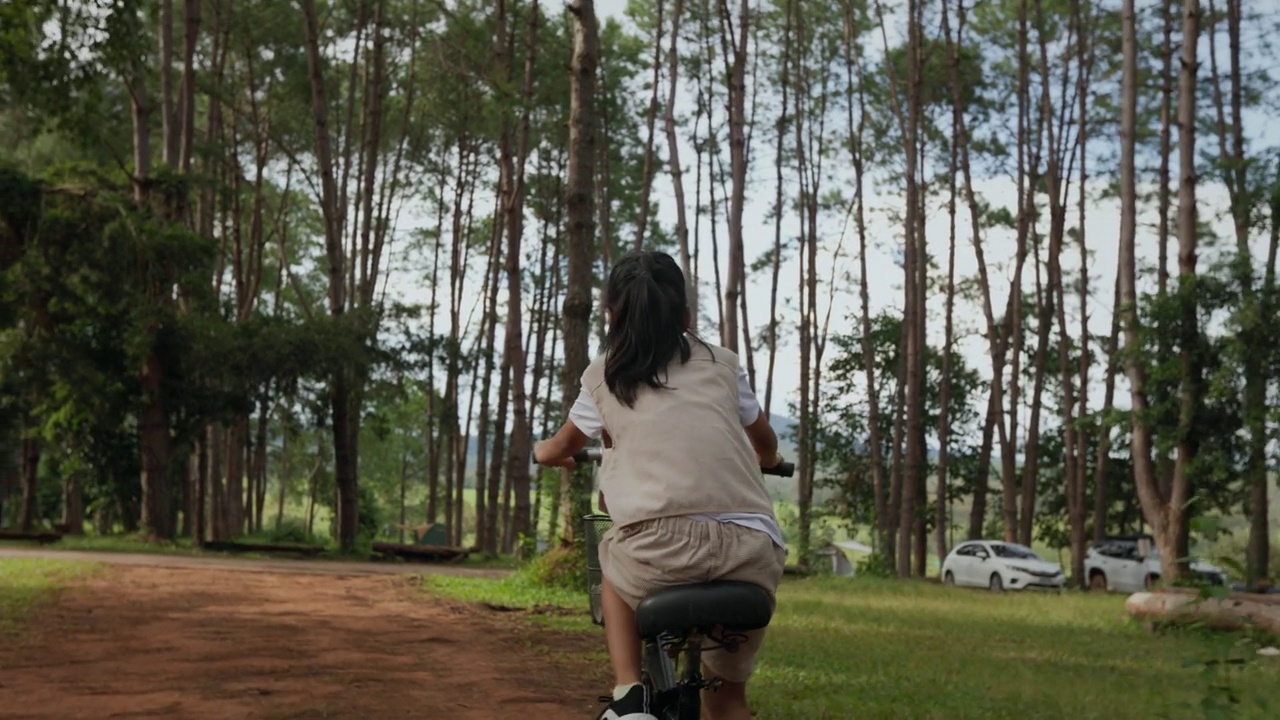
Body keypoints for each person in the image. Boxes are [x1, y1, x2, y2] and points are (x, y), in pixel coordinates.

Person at [534, 250, 786, 720]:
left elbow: (555, 448)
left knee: (611, 561)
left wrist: (546, 453)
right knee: (729, 700)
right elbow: (764, 440)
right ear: (687, 316)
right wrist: (769, 459)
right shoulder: (722, 365)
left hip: (656, 553)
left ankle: (629, 693)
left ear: (610, 316)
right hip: (751, 551)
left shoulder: (605, 375)